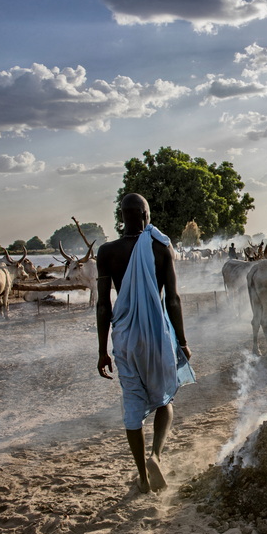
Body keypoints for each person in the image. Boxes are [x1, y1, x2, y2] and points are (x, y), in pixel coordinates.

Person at [96, 193, 194, 493]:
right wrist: (183, 341)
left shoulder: (106, 252)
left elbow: (103, 305)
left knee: (132, 408)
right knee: (166, 400)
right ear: (145, 215)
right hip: (156, 336)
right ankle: (155, 455)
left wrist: (102, 350)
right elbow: (173, 299)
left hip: (124, 338)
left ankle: (141, 476)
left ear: (122, 216)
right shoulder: (160, 248)